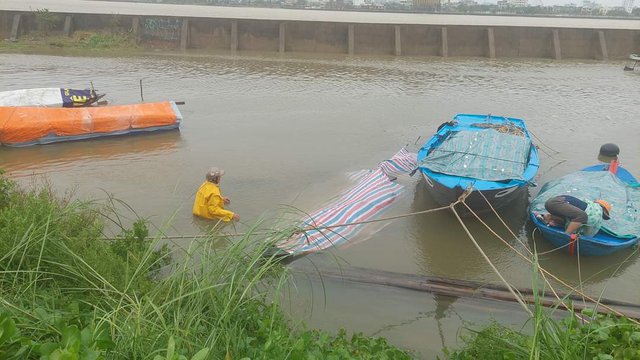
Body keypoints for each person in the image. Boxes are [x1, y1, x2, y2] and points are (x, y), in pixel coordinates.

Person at [540, 195, 611, 237]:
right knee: (583, 216)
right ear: (603, 211)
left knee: (567, 219)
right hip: (557, 203)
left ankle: (546, 217)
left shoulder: (586, 205)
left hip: (553, 202)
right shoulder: (596, 211)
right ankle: (565, 235)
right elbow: (589, 230)